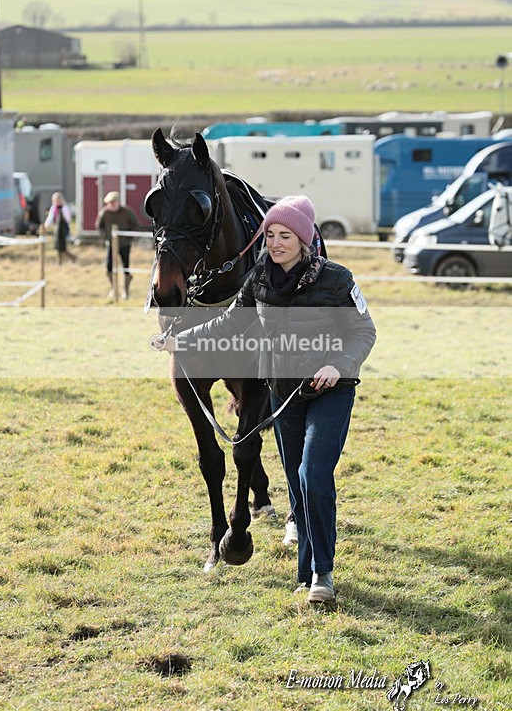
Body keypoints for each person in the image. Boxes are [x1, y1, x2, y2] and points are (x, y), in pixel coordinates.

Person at [161, 195, 376, 605]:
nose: (276, 243)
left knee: (314, 474)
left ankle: (322, 575)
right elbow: (229, 322)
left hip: (330, 391)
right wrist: (180, 340)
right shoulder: (258, 277)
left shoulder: (337, 279)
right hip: (284, 395)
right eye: (270, 235)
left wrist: (339, 364)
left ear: (304, 239)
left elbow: (364, 333)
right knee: (296, 482)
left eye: (285, 236)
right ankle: (305, 573)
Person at [95, 191, 140, 299]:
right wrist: (106, 237)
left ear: (118, 201)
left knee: (125, 267)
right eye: (110, 202)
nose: (112, 204)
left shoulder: (127, 212)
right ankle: (113, 289)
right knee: (109, 268)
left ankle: (126, 291)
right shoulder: (105, 213)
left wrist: (129, 238)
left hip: (125, 245)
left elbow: (136, 225)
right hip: (111, 245)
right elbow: (99, 226)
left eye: (114, 202)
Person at [44, 191, 76, 265]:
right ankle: (59, 261)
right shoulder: (53, 208)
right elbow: (50, 217)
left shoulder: (64, 208)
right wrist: (46, 224)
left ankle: (72, 258)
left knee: (62, 246)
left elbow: (68, 219)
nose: (57, 201)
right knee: (57, 245)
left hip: (63, 228)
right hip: (56, 229)